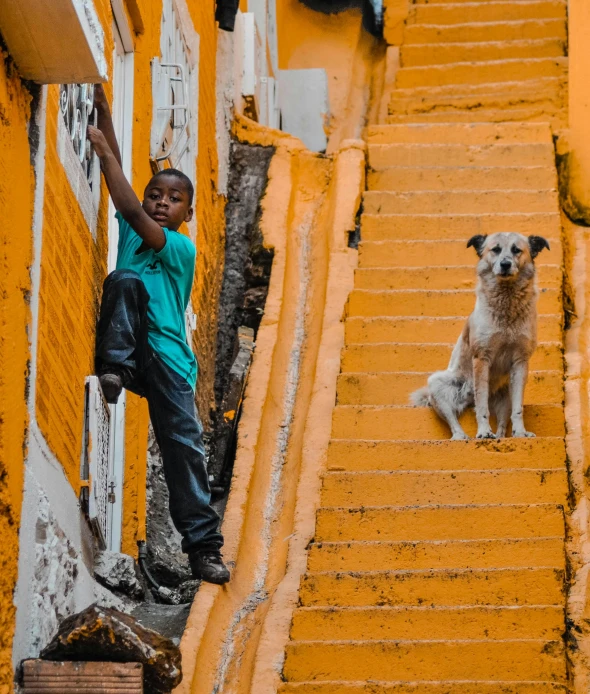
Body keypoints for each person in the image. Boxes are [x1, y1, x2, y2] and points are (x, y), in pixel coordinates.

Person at [87, 85, 229, 585]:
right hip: (130, 352)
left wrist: (103, 151)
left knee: (183, 449)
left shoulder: (178, 247)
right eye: (155, 195)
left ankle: (204, 550)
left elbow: (126, 203)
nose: (162, 203)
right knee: (123, 280)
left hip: (169, 360)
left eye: (174, 199)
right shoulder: (132, 229)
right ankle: (114, 369)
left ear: (187, 214)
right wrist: (105, 114)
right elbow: (122, 185)